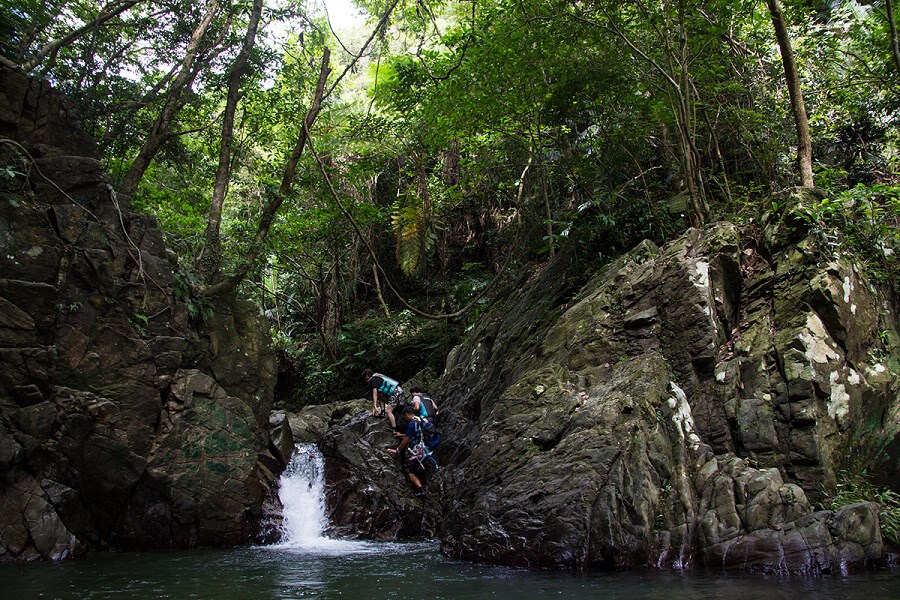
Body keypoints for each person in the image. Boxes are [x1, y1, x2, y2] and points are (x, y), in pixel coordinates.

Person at [387, 405, 427, 499]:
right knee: (419, 468)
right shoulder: (420, 419)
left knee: (411, 472)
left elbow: (407, 440)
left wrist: (397, 450)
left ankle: (421, 491)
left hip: (417, 450)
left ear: (407, 414)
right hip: (425, 448)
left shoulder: (412, 423)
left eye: (405, 416)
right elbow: (413, 433)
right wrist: (401, 434)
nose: (405, 418)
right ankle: (422, 480)